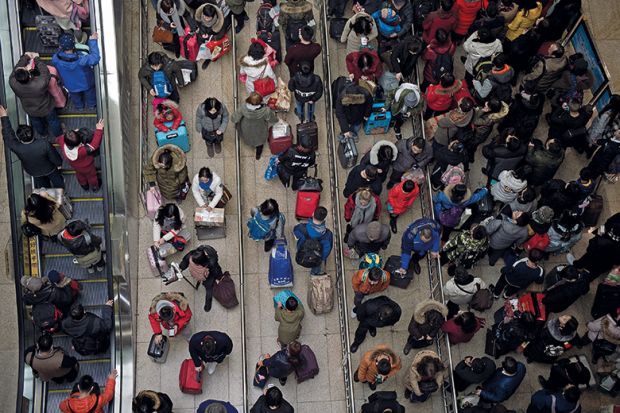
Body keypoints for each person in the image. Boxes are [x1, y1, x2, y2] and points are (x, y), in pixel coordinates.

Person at [0, 106, 64, 188]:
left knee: (43, 187)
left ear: (19, 138)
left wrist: (4, 118)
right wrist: (59, 164)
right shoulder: (44, 144)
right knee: (57, 181)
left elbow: (8, 136)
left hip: (33, 171)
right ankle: (61, 191)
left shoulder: (17, 147)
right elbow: (53, 156)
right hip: (49, 168)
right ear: (33, 133)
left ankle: (47, 195)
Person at [9, 52, 63, 138]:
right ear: (30, 76)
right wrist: (36, 58)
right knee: (53, 121)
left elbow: (17, 69)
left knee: (36, 122)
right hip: (46, 107)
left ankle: (43, 134)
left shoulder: (12, 82)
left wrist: (26, 57)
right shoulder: (40, 84)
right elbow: (45, 72)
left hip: (30, 109)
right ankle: (59, 135)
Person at [52, 32, 100, 110]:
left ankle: (79, 107)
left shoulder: (56, 59)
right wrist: (92, 41)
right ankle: (91, 105)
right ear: (74, 44)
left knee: (75, 96)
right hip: (86, 83)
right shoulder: (81, 60)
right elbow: (95, 58)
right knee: (90, 94)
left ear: (60, 46)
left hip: (69, 84)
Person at [56, 118, 104, 192]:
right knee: (92, 177)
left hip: (75, 166)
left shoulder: (63, 142)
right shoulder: (81, 151)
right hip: (88, 167)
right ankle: (95, 187)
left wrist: (72, 135)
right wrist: (99, 130)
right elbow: (94, 145)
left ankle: (84, 186)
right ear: (79, 142)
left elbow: (58, 139)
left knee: (79, 175)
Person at [231, 92, 278, 160]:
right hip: (260, 131)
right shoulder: (265, 111)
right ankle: (258, 155)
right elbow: (273, 120)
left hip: (246, 129)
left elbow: (234, 118)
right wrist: (277, 120)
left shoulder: (243, 108)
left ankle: (250, 143)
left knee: (248, 138)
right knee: (259, 144)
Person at [177, 245, 224, 312]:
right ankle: (207, 305)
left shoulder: (191, 255)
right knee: (209, 289)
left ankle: (199, 283)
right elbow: (216, 271)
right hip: (207, 278)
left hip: (195, 275)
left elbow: (183, 264)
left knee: (203, 282)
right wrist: (219, 277)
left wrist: (180, 269)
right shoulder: (210, 262)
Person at [293, 207, 334, 275]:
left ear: (313, 214)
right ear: (324, 218)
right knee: (317, 266)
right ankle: (314, 273)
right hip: (315, 258)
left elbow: (295, 232)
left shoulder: (302, 228)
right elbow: (326, 252)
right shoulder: (328, 235)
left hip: (302, 251)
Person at [195, 4, 231, 69]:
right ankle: (202, 55)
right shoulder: (199, 15)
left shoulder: (220, 22)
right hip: (202, 36)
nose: (205, 19)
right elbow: (198, 24)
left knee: (212, 52)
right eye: (204, 16)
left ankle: (209, 59)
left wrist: (209, 37)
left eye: (208, 18)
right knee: (202, 47)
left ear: (213, 16)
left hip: (213, 40)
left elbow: (220, 35)